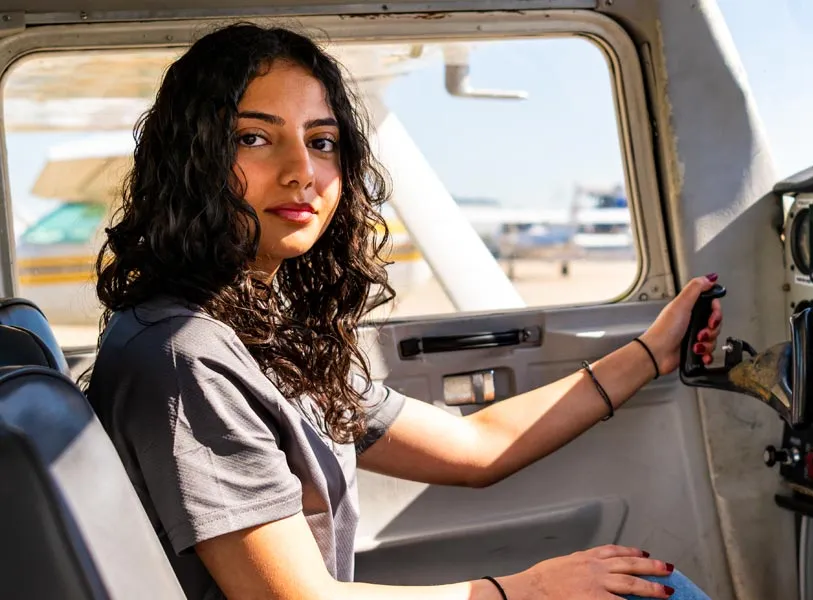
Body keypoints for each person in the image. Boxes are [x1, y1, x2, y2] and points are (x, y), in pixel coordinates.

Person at [84, 23, 723, 600]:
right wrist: (520, 592)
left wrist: (652, 354)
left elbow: (478, 448)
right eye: (254, 138)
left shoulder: (262, 331)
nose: (301, 171)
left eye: (322, 141)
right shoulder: (184, 354)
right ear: (190, 160)